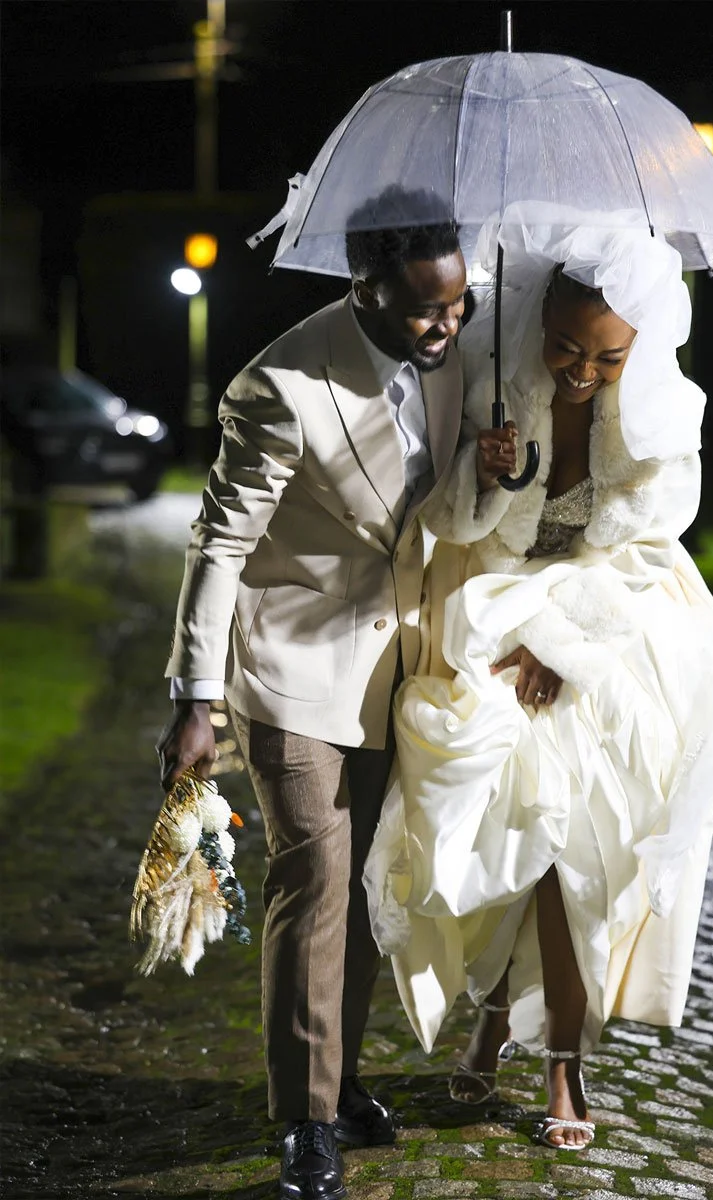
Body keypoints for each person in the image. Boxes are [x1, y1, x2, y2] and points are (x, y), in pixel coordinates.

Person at [364, 216, 713, 1151]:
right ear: (539, 324)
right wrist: (487, 477)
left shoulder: (660, 419)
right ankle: (493, 1019)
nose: (581, 370)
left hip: (613, 630)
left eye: (607, 357)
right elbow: (452, 527)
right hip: (492, 613)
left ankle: (564, 1067)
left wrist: (563, 648)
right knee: (504, 838)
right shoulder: (496, 389)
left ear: (639, 349)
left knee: (577, 848)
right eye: (567, 347)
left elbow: (647, 555)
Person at [157, 188, 467, 1200]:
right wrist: (196, 698)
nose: (446, 324)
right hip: (291, 667)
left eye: (457, 306)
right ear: (364, 284)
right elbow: (220, 545)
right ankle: (303, 1120)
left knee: (370, 884)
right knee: (316, 876)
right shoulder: (279, 384)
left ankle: (335, 1082)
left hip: (400, 666)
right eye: (427, 308)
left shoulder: (461, 352)